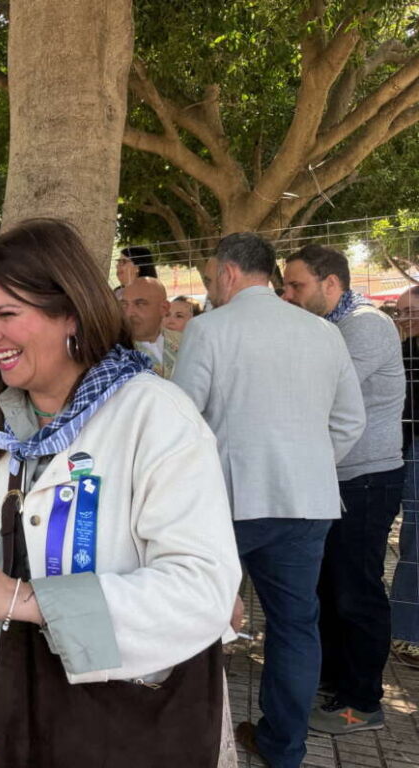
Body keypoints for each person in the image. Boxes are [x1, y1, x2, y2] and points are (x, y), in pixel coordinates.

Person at [0, 219, 241, 768]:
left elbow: (203, 590)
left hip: (135, 727)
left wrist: (23, 600)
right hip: (25, 716)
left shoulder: (155, 416)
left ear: (70, 311)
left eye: (6, 314)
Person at [172, 234, 366, 768]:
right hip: (308, 503)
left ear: (230, 274)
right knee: (296, 625)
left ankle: (194, 737)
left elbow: (183, 419)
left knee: (198, 616)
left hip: (226, 502)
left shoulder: (208, 329)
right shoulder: (323, 333)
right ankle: (284, 749)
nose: (211, 288)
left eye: (212, 278)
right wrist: (310, 463)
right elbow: (352, 420)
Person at [282, 245, 405, 733]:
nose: (287, 295)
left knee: (356, 592)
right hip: (334, 477)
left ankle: (363, 704)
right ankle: (335, 683)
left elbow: (317, 390)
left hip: (367, 480)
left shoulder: (367, 326)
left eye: (297, 286)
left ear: (331, 284)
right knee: (330, 587)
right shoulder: (328, 326)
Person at [391, 285, 419, 667]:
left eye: (409, 310)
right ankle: (406, 632)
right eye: (398, 312)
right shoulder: (404, 351)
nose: (402, 318)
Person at [119, 277, 181, 379]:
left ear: (164, 308)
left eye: (140, 304)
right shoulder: (113, 349)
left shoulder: (185, 342)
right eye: (124, 305)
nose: (129, 313)